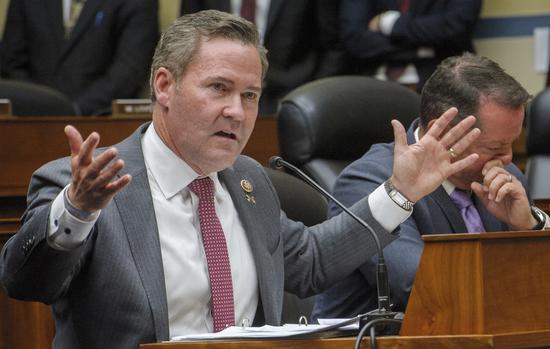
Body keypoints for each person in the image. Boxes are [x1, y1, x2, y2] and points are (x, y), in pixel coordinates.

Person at [0, 11, 481, 349]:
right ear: (164, 86)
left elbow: (308, 263)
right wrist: (78, 211)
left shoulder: (246, 179)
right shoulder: (85, 183)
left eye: (250, 95)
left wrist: (400, 194)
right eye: (219, 88)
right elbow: (26, 283)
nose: (237, 111)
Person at [312, 53, 550, 321]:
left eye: (513, 144)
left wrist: (528, 228)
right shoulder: (370, 182)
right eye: (494, 148)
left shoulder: (507, 179)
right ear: (444, 130)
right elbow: (420, 287)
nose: (507, 159)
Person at [181, 0, 348, 115]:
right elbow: (187, 37)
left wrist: (310, 98)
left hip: (290, 97)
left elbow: (332, 45)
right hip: (218, 95)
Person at [0, 0, 159, 116]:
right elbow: (12, 63)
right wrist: (39, 105)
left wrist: (73, 111)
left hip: (99, 123)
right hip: (27, 124)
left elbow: (128, 72)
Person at [340, 0, 481, 90]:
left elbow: (455, 27)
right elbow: (355, 39)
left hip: (439, 82)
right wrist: (421, 49)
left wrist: (388, 22)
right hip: (372, 82)